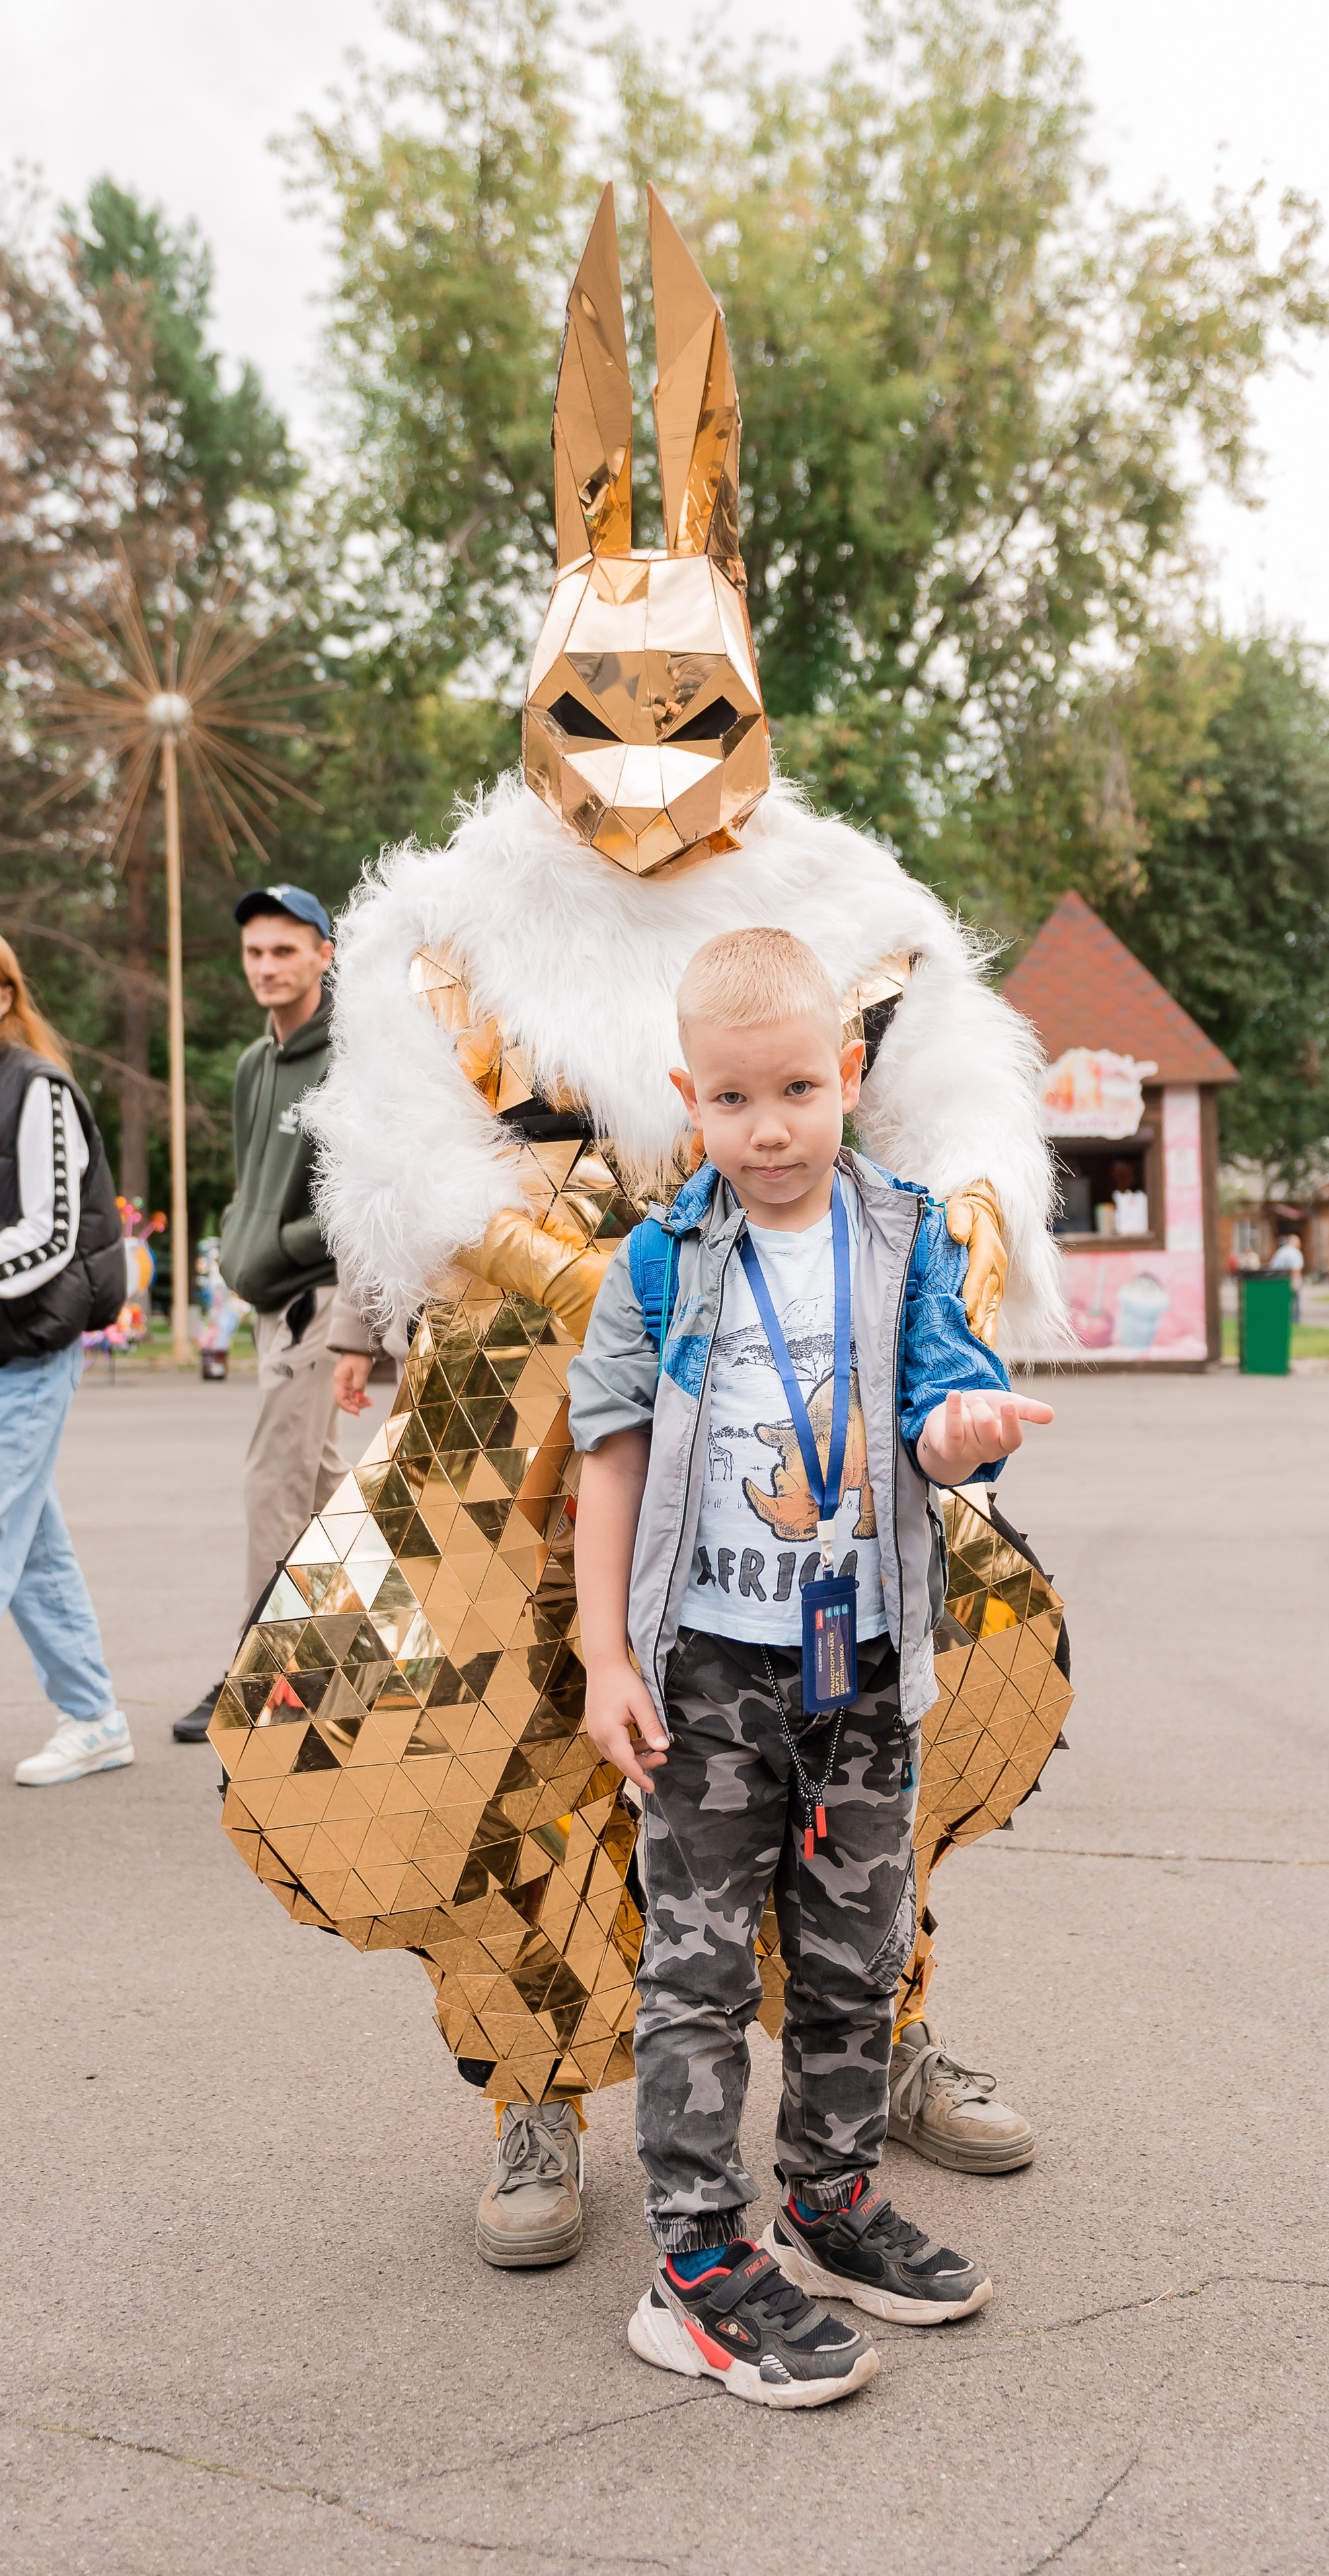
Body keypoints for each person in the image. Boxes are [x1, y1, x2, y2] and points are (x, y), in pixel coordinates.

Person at [215, 184, 1067, 2267]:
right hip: (531, 1444)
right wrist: (560, 1260)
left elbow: (951, 1066)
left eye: (685, 702)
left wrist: (953, 1224)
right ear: (540, 688)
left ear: (745, 680)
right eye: (598, 704)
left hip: (823, 1431)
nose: (640, 753)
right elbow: (400, 1150)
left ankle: (888, 2049)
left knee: (865, 1740)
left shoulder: (839, 897)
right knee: (507, 1768)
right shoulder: (445, 921)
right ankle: (529, 2107)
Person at [570, 928, 1055, 2406]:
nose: (767, 1128)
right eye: (731, 1100)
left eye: (794, 1087)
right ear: (685, 1100)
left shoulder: (900, 1235)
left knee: (854, 1966)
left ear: (844, 1074)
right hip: (710, 1673)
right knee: (699, 1974)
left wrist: (955, 1436)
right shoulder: (654, 1265)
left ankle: (829, 2209)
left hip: (859, 1680)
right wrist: (604, 1655)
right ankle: (697, 2265)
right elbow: (610, 1458)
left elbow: (937, 1394)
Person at [174, 887, 384, 1743]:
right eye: (256, 953)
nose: (268, 967)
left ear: (324, 955)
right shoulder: (253, 1065)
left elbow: (364, 1192)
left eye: (286, 952)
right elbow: (246, 1184)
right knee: (326, 1491)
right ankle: (377, 1656)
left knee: (275, 1482)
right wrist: (239, 1239)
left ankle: (254, 1675)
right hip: (269, 1302)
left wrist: (352, 1331)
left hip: (321, 1301)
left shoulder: (354, 1056)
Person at [0, 939, 132, 1788]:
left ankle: (92, 1717)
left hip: (33, 1346)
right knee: (34, 1544)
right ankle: (94, 1718)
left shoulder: (37, 1086)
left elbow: (49, 1238)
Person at [1268, 1230, 1305, 1323]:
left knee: (1282, 1302)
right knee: (1295, 1302)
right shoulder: (1295, 1253)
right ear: (1295, 1243)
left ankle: (1281, 1319)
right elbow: (1296, 1269)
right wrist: (1296, 1283)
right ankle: (1295, 1321)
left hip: (1279, 1281)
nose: (1300, 1244)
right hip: (1291, 1280)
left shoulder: (1281, 1252)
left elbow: (1273, 1266)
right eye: (1299, 1242)